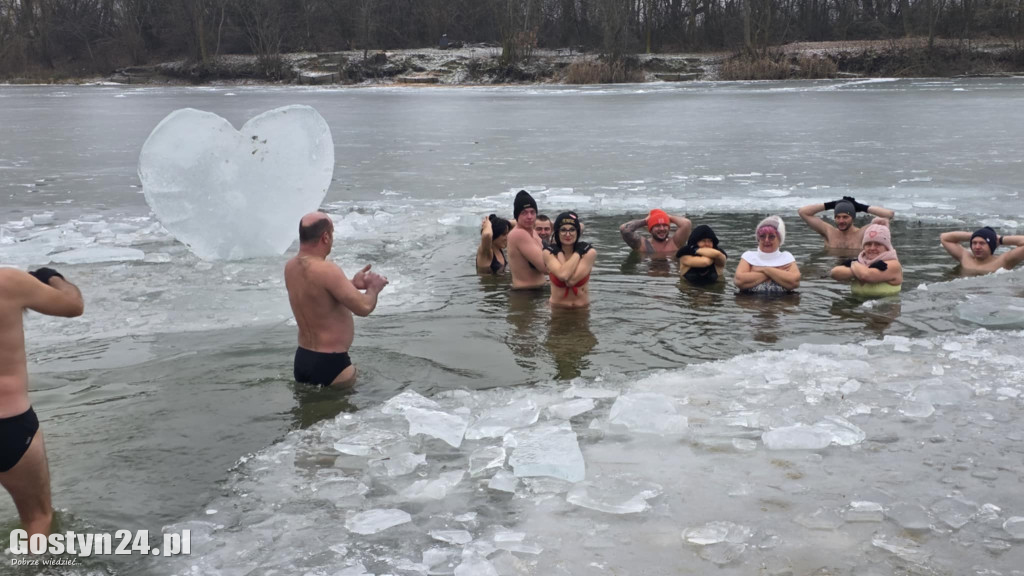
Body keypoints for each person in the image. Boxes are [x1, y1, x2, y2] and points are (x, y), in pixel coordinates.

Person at [1, 266, 84, 537]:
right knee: (38, 519)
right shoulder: (8, 281)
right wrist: (52, 277)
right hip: (8, 423)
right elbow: (73, 305)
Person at [285, 212, 388, 387]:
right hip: (332, 364)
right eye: (332, 233)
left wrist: (352, 284)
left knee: (308, 413)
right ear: (325, 237)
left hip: (303, 359)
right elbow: (363, 307)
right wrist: (374, 288)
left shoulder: (291, 267)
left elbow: (319, 293)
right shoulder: (327, 269)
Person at [830, 218, 902, 297]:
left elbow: (866, 275)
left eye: (878, 244)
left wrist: (853, 265)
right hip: (856, 307)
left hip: (885, 308)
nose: (872, 248)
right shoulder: (861, 262)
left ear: (886, 247)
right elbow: (835, 273)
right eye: (868, 244)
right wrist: (857, 265)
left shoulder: (894, 265)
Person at [798, 196, 896, 249]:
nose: (841, 221)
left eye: (845, 217)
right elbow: (803, 212)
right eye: (838, 217)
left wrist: (862, 207)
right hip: (831, 272)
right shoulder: (829, 232)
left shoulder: (862, 233)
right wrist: (832, 204)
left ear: (853, 218)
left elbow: (888, 215)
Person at [734, 216, 801, 294]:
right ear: (758, 239)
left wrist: (764, 269)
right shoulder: (748, 256)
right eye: (762, 236)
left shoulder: (786, 257)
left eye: (771, 237)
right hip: (751, 303)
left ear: (779, 239)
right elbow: (739, 281)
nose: (766, 240)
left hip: (780, 303)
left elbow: (794, 282)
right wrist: (778, 273)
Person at [543, 211, 595, 308]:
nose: (568, 234)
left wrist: (578, 252)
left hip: (581, 311)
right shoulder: (548, 253)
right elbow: (564, 275)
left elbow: (571, 281)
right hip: (557, 311)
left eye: (572, 230)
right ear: (557, 232)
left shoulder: (589, 253)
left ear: (577, 232)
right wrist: (562, 253)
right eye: (563, 230)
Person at [507, 190, 548, 289]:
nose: (529, 217)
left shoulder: (532, 232)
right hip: (525, 294)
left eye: (532, 212)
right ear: (517, 215)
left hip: (539, 290)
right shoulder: (519, 234)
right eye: (524, 213)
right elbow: (546, 268)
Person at [939, 226, 1024, 274]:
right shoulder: (965, 258)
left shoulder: (1003, 261)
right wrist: (975, 235)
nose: (977, 247)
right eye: (974, 243)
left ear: (991, 245)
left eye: (982, 243)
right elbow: (944, 237)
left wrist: (1000, 240)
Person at [619, 209, 692, 254]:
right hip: (650, 277)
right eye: (657, 226)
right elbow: (625, 229)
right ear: (650, 229)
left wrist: (668, 217)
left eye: (665, 225)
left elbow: (686, 223)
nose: (662, 228)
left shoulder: (675, 243)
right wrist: (646, 221)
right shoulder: (643, 245)